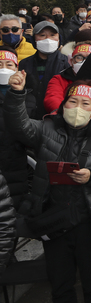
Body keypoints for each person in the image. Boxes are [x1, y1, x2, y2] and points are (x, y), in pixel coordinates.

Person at [5, 76, 91, 303]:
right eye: (73, 101)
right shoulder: (45, 128)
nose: (78, 108)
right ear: (63, 104)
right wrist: (16, 94)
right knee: (60, 285)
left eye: (86, 103)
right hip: (55, 222)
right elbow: (19, 126)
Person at [0, 47, 35, 206]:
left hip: (15, 164)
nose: (4, 69)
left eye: (9, 64)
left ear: (17, 68)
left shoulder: (28, 98)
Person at [19, 21, 70, 119]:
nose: (48, 39)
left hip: (56, 117)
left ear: (59, 39)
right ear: (34, 40)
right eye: (42, 35)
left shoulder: (66, 63)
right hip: (29, 117)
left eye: (52, 35)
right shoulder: (24, 63)